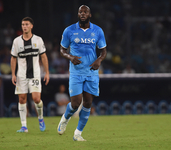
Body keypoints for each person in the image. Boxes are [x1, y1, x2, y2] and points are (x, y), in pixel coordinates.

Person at [57, 5, 107, 141]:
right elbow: (62, 50)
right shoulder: (69, 31)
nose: (83, 13)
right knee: (75, 103)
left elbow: (103, 51)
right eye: (80, 12)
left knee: (88, 103)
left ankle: (78, 133)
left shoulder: (97, 31)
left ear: (90, 15)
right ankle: (65, 118)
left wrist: (99, 60)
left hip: (91, 72)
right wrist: (70, 57)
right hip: (76, 72)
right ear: (78, 14)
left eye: (85, 12)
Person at [10, 17, 49, 133]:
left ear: (31, 26)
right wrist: (13, 74)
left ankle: (40, 119)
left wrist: (47, 72)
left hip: (35, 74)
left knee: (36, 99)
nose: (24, 26)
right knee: (22, 99)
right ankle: (24, 126)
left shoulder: (38, 40)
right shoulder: (17, 41)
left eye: (26, 24)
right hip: (21, 75)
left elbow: (43, 56)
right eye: (23, 24)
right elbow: (13, 58)